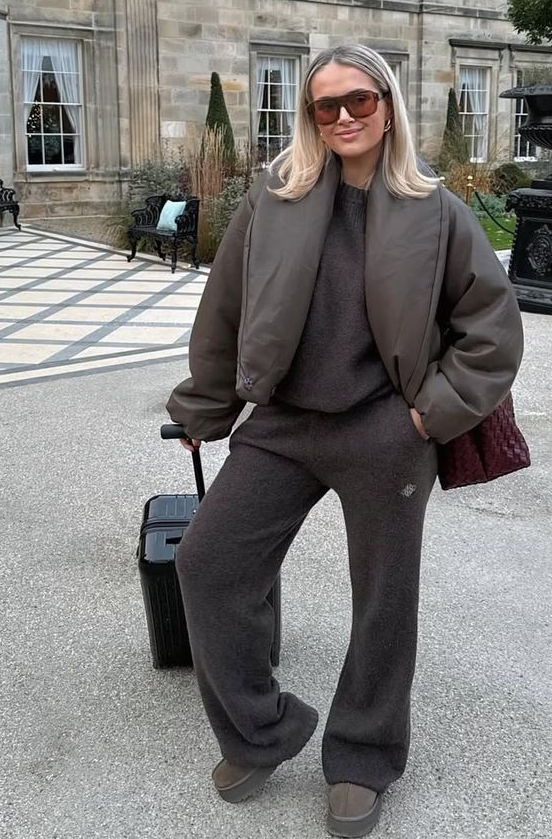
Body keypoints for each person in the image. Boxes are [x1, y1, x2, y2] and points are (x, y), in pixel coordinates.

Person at [166, 44, 524, 837]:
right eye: (324, 106)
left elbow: (490, 330)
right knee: (209, 564)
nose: (342, 118)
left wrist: (431, 414)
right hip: (285, 424)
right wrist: (203, 407)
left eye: (358, 101)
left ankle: (362, 755)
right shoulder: (277, 196)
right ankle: (261, 730)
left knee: (383, 601)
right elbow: (225, 311)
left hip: (385, 429)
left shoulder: (434, 209)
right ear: (308, 116)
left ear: (387, 104)